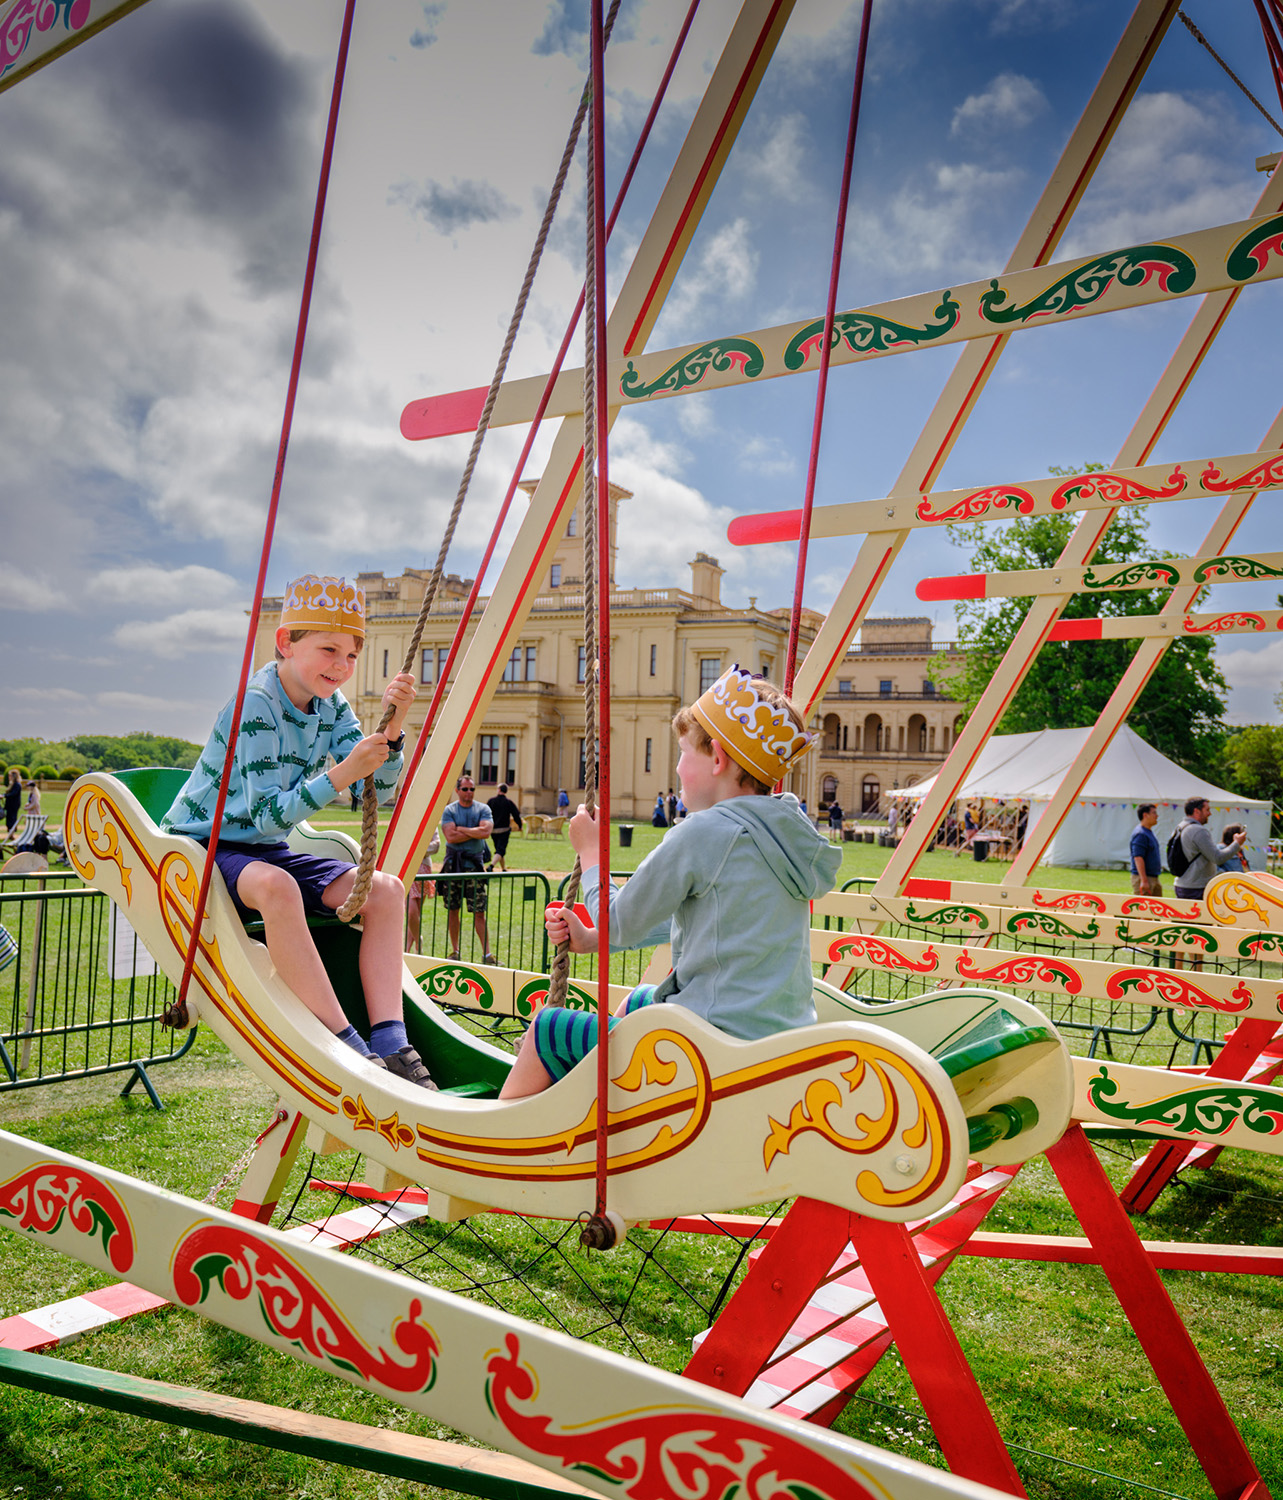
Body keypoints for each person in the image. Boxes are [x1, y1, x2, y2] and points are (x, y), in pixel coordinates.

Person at [499, 664, 842, 1099]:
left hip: (711, 1049)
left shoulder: (703, 832)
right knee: (642, 999)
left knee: (548, 1029)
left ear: (717, 758)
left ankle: (503, 1127)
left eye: (682, 752)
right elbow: (713, 916)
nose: (677, 768)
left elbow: (617, 921)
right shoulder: (782, 835)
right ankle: (608, 1107)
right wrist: (591, 939)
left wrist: (591, 853)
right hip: (775, 1041)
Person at [162, 573, 435, 1088]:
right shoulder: (257, 703)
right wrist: (343, 772)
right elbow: (268, 814)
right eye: (328, 649)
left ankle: (390, 1040)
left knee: (386, 891)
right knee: (277, 886)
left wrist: (394, 728)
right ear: (286, 642)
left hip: (263, 849)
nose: (341, 665)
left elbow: (377, 788)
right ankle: (341, 1039)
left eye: (351, 655)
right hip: (203, 847)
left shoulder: (332, 706)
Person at [439, 775, 494, 962]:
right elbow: (450, 837)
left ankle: (487, 954)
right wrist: (475, 832)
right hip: (453, 868)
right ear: (457, 790)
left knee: (479, 911)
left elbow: (486, 832)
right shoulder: (450, 810)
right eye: (465, 789)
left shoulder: (483, 809)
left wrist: (461, 829)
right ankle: (455, 951)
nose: (469, 792)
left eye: (472, 789)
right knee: (453, 909)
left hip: (475, 868)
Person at [1170, 797, 1247, 901]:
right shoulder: (1198, 830)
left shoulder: (1179, 827)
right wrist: (1237, 843)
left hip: (1183, 884)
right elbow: (1217, 858)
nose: (1210, 813)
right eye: (1207, 810)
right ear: (1197, 811)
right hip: (1197, 888)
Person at [486, 783, 523, 872]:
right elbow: (516, 815)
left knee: (499, 850)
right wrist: (520, 825)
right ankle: (491, 866)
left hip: (493, 830)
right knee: (500, 850)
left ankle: (503, 869)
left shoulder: (491, 801)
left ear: (498, 790)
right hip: (504, 830)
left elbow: (485, 813)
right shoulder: (508, 802)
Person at [1129, 804, 1162, 896]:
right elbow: (1138, 857)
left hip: (1152, 877)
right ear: (1145, 815)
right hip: (1145, 878)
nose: (1157, 816)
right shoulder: (1140, 834)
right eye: (1154, 813)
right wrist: (1144, 880)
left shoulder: (1148, 832)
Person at [4, 770, 20, 835]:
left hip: (13, 805)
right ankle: (10, 832)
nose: (9, 777)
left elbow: (13, 794)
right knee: (9, 818)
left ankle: (12, 833)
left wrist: (4, 796)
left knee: (12, 819)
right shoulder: (12, 784)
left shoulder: (17, 785)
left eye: (10, 776)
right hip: (9, 805)